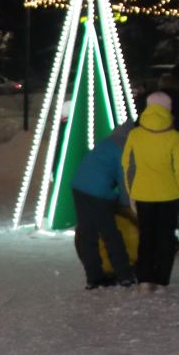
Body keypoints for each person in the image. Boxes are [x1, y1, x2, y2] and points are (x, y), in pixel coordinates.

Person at [122, 91, 179, 290]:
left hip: (143, 194)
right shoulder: (175, 137)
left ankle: (145, 279)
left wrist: (131, 193)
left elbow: (127, 165)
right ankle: (161, 279)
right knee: (165, 238)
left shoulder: (135, 134)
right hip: (169, 195)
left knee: (146, 237)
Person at [70, 121, 136, 288]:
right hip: (98, 191)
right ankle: (124, 275)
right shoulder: (125, 149)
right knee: (110, 233)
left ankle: (93, 277)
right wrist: (127, 206)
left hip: (79, 185)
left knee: (87, 233)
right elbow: (125, 182)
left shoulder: (108, 142)